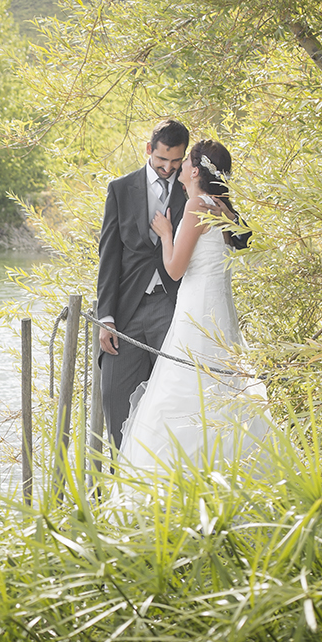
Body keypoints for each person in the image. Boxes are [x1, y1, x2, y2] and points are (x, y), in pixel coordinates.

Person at [119, 139, 269, 476]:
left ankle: (179, 476)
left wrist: (166, 233)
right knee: (221, 387)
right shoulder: (221, 206)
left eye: (186, 161)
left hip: (197, 309)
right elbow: (243, 238)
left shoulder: (196, 206)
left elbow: (174, 269)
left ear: (196, 170)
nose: (181, 166)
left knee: (186, 383)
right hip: (220, 311)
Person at [95, 117, 190, 450]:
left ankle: (169, 473)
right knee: (114, 394)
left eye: (176, 161)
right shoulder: (120, 189)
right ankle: (126, 477)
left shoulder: (189, 188)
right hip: (127, 310)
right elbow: (109, 256)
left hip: (172, 304)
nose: (168, 167)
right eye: (162, 159)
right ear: (149, 149)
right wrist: (105, 316)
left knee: (176, 394)